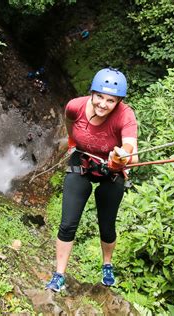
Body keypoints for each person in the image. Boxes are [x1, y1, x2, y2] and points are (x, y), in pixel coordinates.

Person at [45, 68, 138, 292]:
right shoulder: (75, 106)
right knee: (67, 224)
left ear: (118, 102)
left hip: (112, 167)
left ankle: (107, 264)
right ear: (92, 93)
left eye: (110, 100)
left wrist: (121, 157)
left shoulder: (125, 115)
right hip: (84, 160)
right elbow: (69, 123)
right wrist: (72, 142)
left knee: (107, 226)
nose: (103, 104)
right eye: (99, 97)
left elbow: (132, 152)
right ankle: (59, 274)